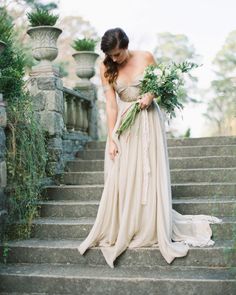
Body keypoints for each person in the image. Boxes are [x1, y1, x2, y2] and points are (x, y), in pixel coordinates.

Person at [77, 27, 222, 268]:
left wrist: (150, 95)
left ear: (126, 46)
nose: (114, 59)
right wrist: (112, 137)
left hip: (149, 122)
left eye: (118, 54)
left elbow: (159, 85)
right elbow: (111, 105)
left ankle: (149, 222)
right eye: (110, 55)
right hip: (126, 123)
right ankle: (129, 222)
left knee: (149, 172)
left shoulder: (146, 57)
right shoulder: (105, 68)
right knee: (125, 176)